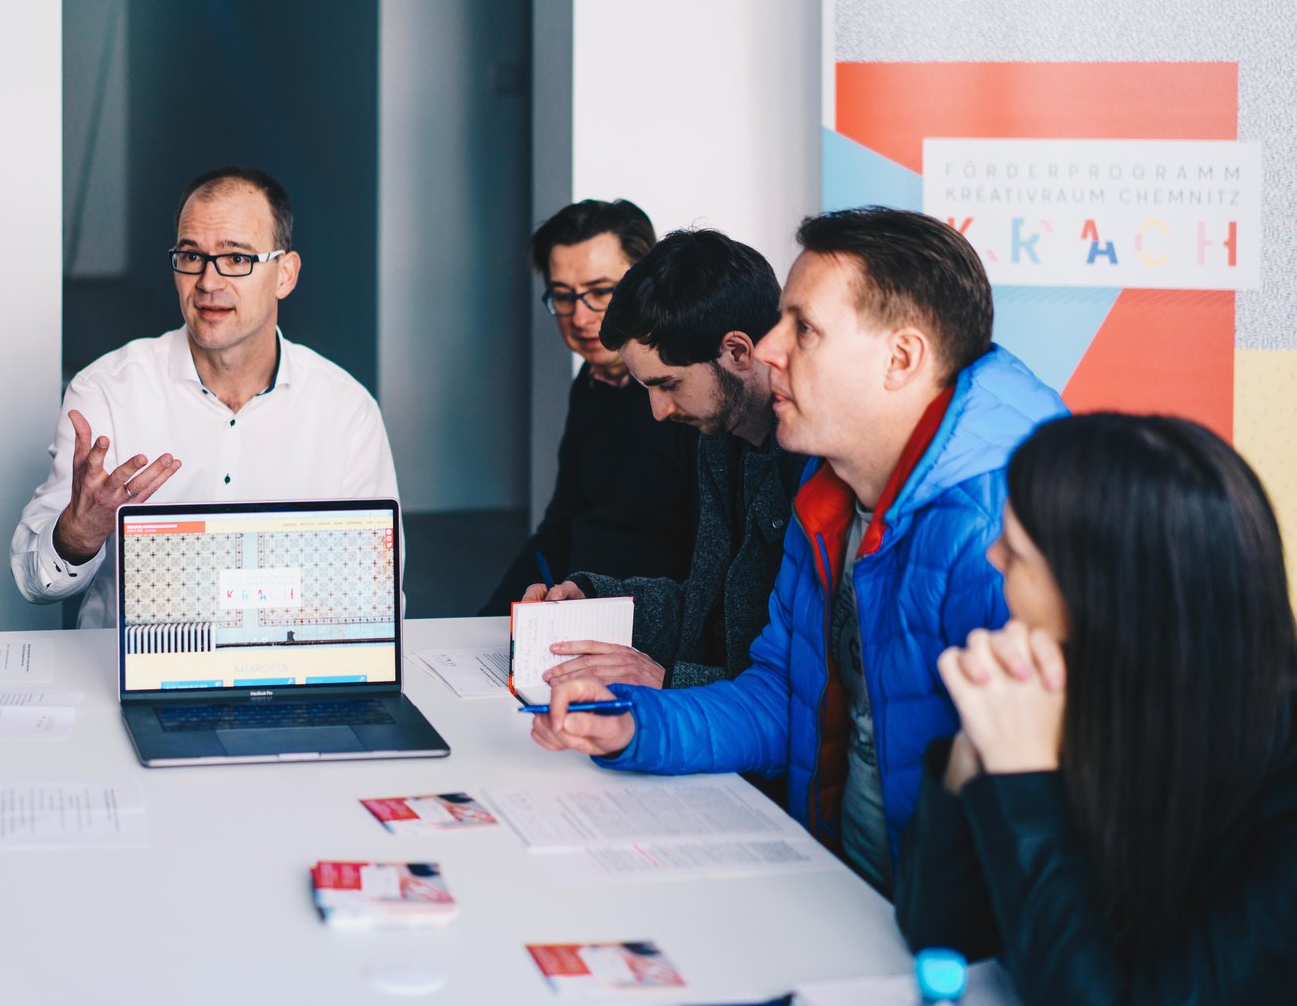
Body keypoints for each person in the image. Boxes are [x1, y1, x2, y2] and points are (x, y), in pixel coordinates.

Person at [530, 207, 1066, 895]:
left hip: (922, 928)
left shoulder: (1005, 535)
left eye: (802, 328)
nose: (769, 347)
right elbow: (784, 699)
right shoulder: (829, 486)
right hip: (838, 889)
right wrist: (633, 727)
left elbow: (1041, 847)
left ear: (901, 359)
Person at [895, 414, 1297, 1002]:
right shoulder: (1085, 698)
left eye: (1017, 552)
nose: (991, 555)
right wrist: (972, 757)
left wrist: (1025, 782)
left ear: (1100, 601)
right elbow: (942, 937)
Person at [12, 166, 401, 628]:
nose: (208, 282)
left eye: (236, 258)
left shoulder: (347, 412)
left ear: (285, 275)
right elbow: (34, 582)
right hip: (128, 665)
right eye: (192, 256)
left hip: (287, 664)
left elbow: (379, 595)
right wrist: (78, 535)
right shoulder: (106, 392)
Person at [520, 228, 806, 693]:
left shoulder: (812, 460)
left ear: (737, 351)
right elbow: (705, 613)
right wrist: (592, 599)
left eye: (668, 384)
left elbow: (801, 688)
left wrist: (668, 681)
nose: (658, 411)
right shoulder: (721, 438)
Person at [478, 200, 698, 615]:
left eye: (600, 292)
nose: (579, 317)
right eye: (563, 297)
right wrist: (483, 622)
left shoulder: (690, 396)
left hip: (643, 624)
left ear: (645, 286)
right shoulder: (591, 383)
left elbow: (704, 565)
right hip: (574, 611)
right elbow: (560, 526)